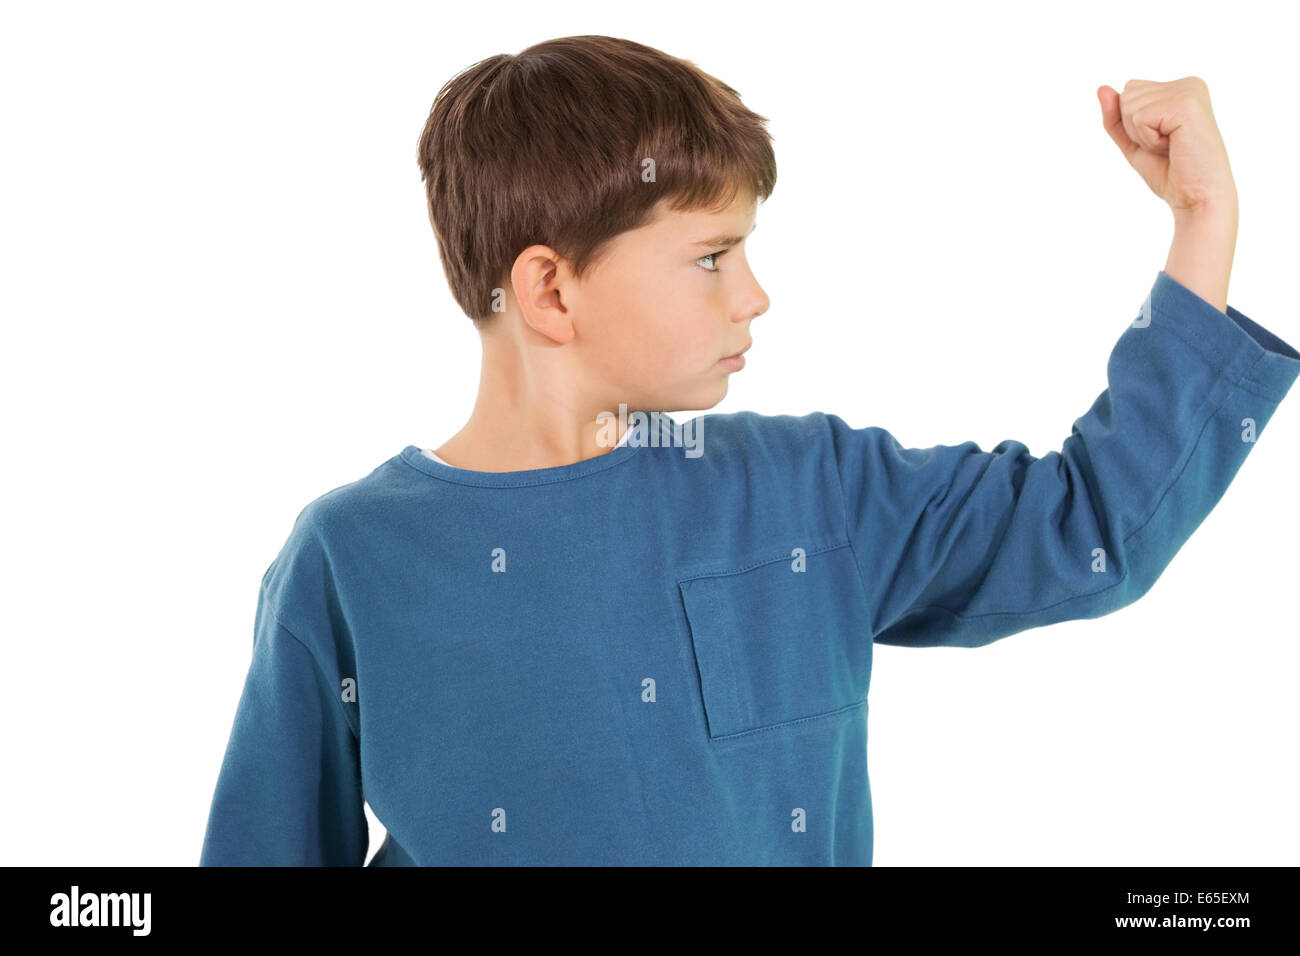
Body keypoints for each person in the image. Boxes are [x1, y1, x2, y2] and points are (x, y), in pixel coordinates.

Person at [199, 36, 1299, 866]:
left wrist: (1201, 223)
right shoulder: (348, 560)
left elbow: (1089, 526)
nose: (756, 295)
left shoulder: (808, 486)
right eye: (711, 256)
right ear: (548, 288)